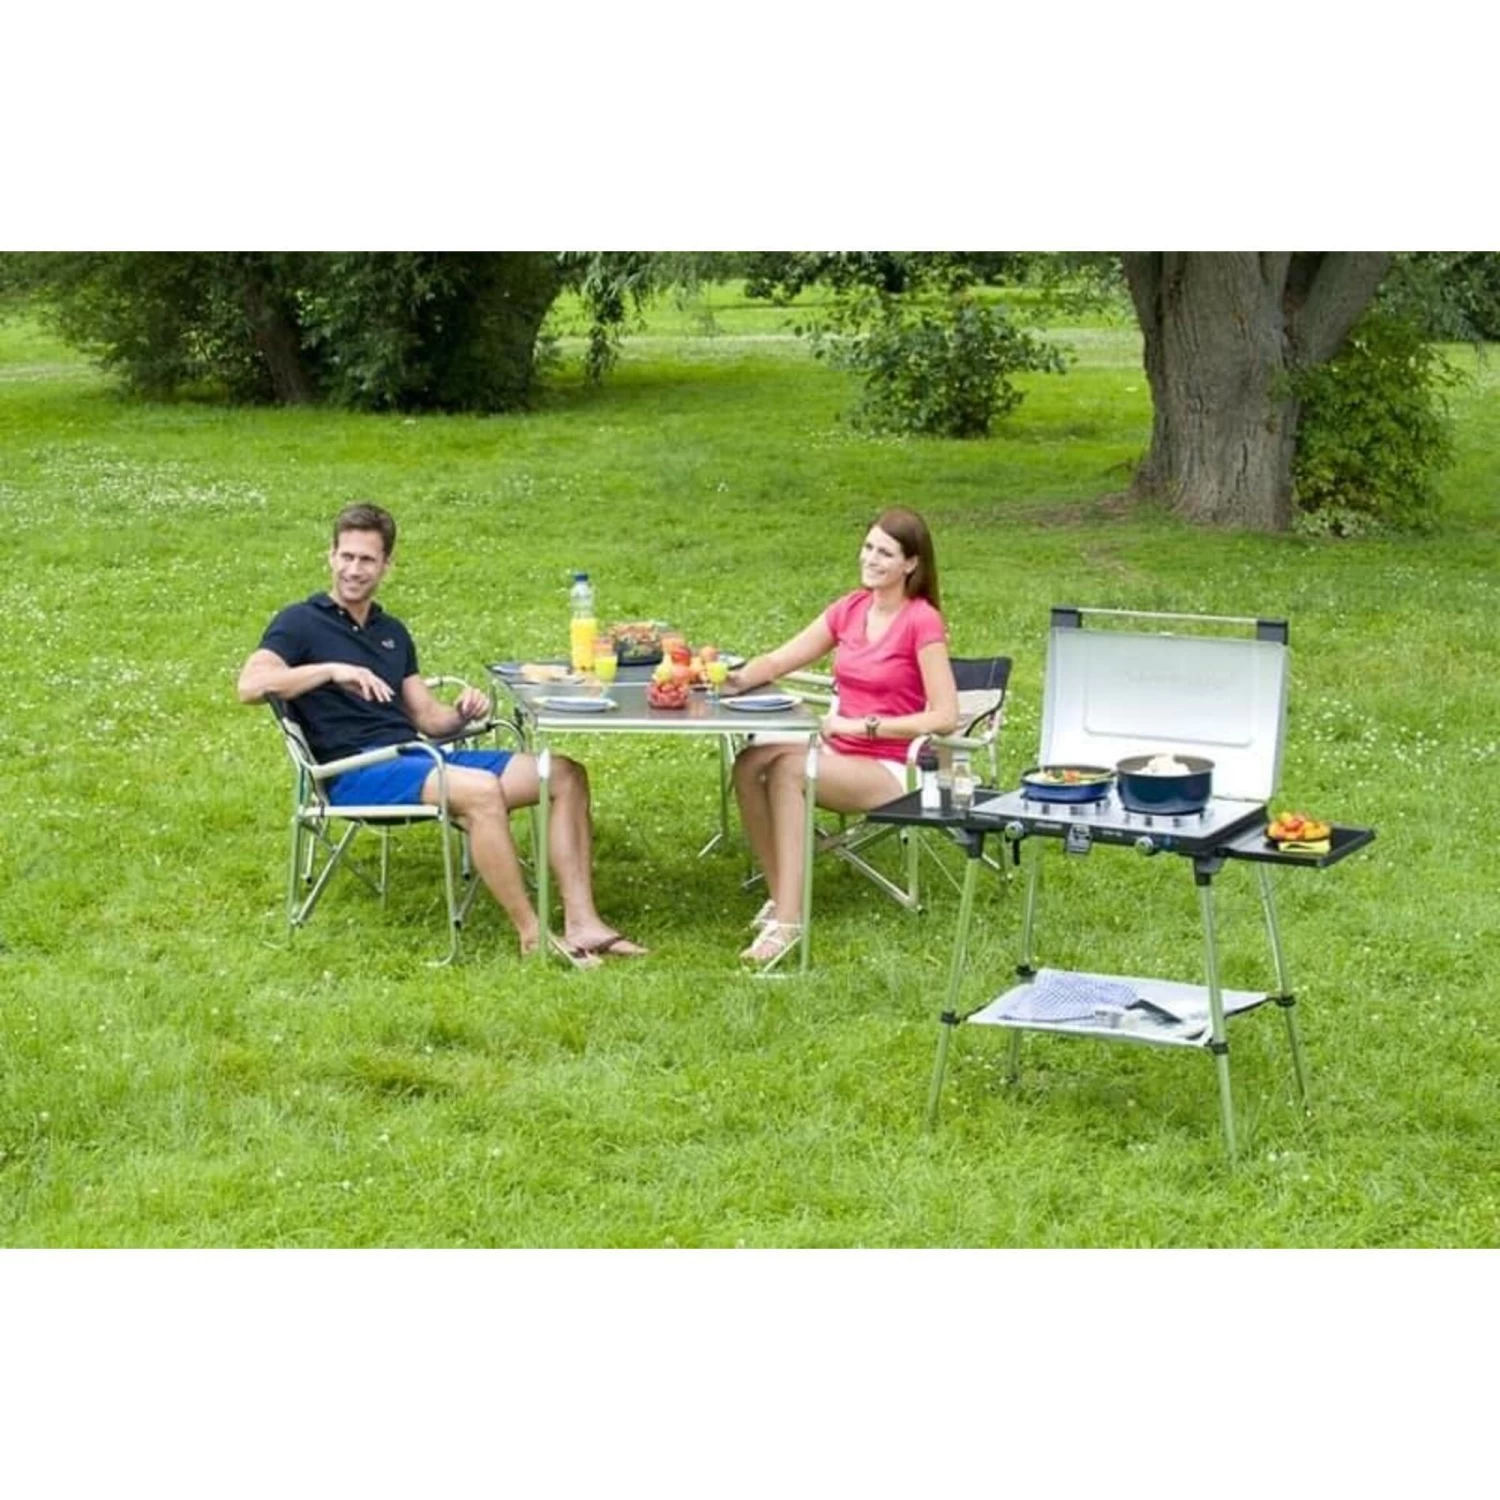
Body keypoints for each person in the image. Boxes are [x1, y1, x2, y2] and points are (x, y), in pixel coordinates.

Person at [237, 502, 646, 966]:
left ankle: (583, 922)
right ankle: (533, 936)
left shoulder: (392, 632)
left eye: (367, 559)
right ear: (330, 556)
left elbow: (429, 719)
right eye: (346, 556)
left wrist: (462, 716)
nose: (354, 569)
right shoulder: (299, 622)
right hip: (355, 771)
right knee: (481, 791)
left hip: (416, 756)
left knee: (564, 773)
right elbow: (250, 686)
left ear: (386, 565)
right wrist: (331, 670)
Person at [728, 507, 959, 965]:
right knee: (749, 763)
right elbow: (778, 661)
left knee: (790, 770)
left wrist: (863, 725)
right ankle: (781, 895)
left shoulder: (921, 621)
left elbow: (945, 715)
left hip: (896, 765)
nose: (871, 559)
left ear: (911, 564)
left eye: (885, 553)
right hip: (840, 752)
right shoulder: (850, 609)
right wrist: (729, 680)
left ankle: (789, 925)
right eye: (868, 547)